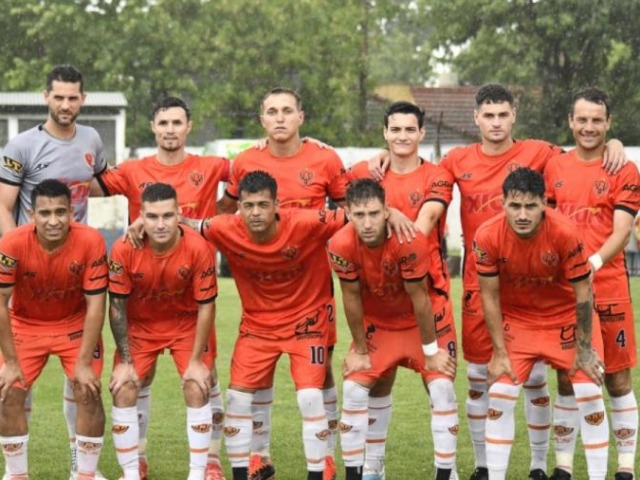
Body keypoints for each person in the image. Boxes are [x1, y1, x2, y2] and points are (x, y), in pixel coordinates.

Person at [368, 83, 626, 480]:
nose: (495, 122)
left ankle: (540, 465)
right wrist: (388, 152)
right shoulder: (457, 159)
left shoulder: (540, 153)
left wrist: (615, 143)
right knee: (479, 377)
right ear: (476, 118)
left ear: (514, 117)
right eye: (488, 115)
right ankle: (485, 466)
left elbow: (584, 149)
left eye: (503, 114)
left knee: (536, 376)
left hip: (532, 286)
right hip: (479, 282)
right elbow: (415, 165)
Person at [93, 96, 228, 480]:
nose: (170, 129)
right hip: (144, 293)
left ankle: (210, 463)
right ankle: (136, 461)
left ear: (189, 127)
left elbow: (257, 174)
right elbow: (86, 185)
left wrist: (217, 222)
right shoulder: (134, 170)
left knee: (206, 377)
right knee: (136, 379)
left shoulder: (211, 166)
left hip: (193, 285)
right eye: (163, 123)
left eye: (177, 123)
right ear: (153, 127)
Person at [217, 87, 349, 480]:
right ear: (262, 120)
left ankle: (325, 456)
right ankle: (258, 456)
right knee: (257, 373)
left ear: (300, 117)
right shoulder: (244, 162)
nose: (279, 118)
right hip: (263, 285)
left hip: (312, 286)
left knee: (319, 372)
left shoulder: (324, 158)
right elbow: (226, 211)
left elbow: (347, 211)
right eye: (271, 111)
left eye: (286, 111)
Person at [194, 170, 347, 480]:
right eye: (248, 205)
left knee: (310, 396)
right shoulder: (223, 227)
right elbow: (185, 225)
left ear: (277, 204)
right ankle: (250, 466)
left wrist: (392, 213)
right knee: (238, 397)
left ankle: (321, 467)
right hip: (257, 327)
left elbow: (357, 217)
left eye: (263, 205)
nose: (255, 213)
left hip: (306, 324)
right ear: (239, 208)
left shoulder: (306, 222)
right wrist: (144, 223)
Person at [0, 64, 107, 480]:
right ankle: (16, 471)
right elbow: (5, 206)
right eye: (58, 97)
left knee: (83, 382)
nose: (66, 104)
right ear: (46, 97)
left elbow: (97, 184)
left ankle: (82, 466)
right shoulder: (22, 145)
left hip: (77, 266)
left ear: (83, 99)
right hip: (30, 266)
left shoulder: (92, 139)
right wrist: (20, 256)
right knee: (13, 387)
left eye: (73, 97)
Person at [475, 167, 609, 480]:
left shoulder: (565, 231)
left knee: (589, 394)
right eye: (515, 205)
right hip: (520, 322)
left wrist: (585, 349)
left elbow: (583, 293)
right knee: (499, 396)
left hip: (565, 319)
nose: (522, 214)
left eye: (531, 206)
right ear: (502, 203)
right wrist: (498, 351)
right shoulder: (487, 235)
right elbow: (490, 297)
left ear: (544, 204)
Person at [347, 102, 458, 479]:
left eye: (410, 130)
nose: (402, 136)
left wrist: (392, 212)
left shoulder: (438, 175)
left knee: (440, 386)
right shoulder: (366, 173)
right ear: (385, 133)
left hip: (429, 300)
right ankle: (374, 466)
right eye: (395, 130)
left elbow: (422, 226)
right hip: (379, 303)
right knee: (377, 382)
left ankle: (448, 469)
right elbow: (335, 191)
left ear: (421, 133)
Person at [327, 179, 456, 480]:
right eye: (359, 215)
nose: (367, 222)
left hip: (421, 323)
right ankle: (366, 471)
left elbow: (420, 298)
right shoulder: (340, 244)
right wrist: (360, 350)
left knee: (442, 387)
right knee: (354, 388)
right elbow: (351, 296)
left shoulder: (409, 240)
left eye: (374, 213)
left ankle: (447, 473)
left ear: (387, 211)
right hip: (380, 325)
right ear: (348, 213)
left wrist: (431, 353)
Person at [544, 87, 639, 480]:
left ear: (608, 123)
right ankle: (564, 466)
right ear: (570, 121)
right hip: (564, 292)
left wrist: (592, 263)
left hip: (610, 285)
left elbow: (622, 230)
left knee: (616, 377)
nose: (588, 127)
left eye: (597, 120)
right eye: (581, 119)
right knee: (568, 374)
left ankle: (624, 466)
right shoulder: (554, 167)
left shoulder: (624, 169)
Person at [108, 183, 218, 480]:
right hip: (142, 326)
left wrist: (195, 361)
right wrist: (126, 362)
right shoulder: (123, 248)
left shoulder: (197, 247)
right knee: (124, 385)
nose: (160, 224)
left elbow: (207, 306)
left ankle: (198, 474)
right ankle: (131, 473)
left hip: (186, 325)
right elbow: (116, 306)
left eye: (167, 216)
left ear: (179, 215)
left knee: (197, 384)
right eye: (152, 216)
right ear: (140, 216)